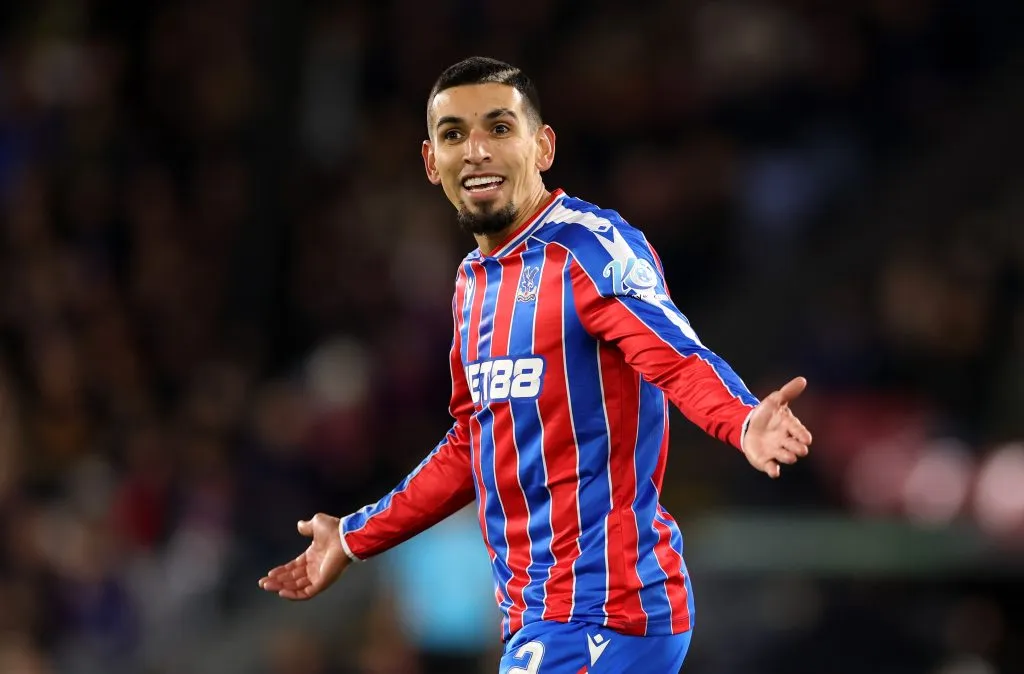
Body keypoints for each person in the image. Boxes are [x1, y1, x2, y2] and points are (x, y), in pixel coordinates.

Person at [259, 56, 813, 673]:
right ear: (429, 162)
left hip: (610, 612)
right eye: (453, 135)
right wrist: (356, 536)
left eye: (499, 128)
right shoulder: (473, 285)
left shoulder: (589, 248)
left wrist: (740, 420)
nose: (475, 151)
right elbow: (475, 443)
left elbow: (676, 357)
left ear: (542, 146)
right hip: (537, 619)